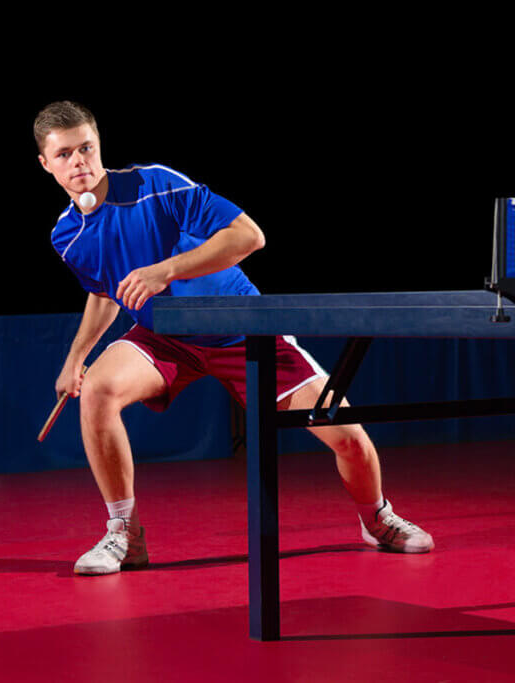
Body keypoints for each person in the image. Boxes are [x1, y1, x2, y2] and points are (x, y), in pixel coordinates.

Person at [35, 101, 434, 575]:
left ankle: (377, 518)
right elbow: (105, 291)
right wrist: (76, 357)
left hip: (242, 328)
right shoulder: (67, 235)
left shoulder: (153, 185)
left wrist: (167, 269)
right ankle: (126, 535)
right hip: (166, 335)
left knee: (347, 437)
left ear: (99, 145)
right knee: (98, 391)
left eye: (86, 148)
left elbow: (248, 236)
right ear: (45, 163)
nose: (78, 161)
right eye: (64, 155)